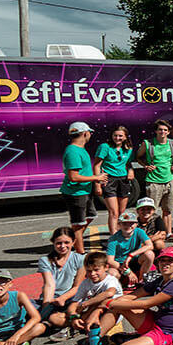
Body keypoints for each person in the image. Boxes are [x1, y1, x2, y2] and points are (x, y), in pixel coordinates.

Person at [103, 248, 173, 345]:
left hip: (168, 333)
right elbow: (132, 296)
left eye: (170, 260)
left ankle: (137, 338)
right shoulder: (161, 279)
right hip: (155, 321)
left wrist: (110, 303)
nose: (165, 263)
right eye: (162, 260)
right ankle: (92, 340)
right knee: (117, 306)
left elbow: (146, 304)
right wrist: (109, 303)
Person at [48, 252, 127, 345]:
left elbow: (109, 293)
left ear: (106, 268)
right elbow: (74, 304)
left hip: (109, 313)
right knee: (54, 318)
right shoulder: (86, 283)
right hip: (91, 313)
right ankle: (76, 328)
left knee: (100, 302)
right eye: (89, 271)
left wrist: (86, 303)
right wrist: (74, 317)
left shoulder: (110, 280)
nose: (92, 274)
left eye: (96, 270)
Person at [60, 121, 106, 254]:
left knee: (91, 215)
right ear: (85, 133)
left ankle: (74, 238)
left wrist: (95, 184)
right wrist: (96, 178)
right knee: (78, 225)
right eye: (89, 132)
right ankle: (80, 254)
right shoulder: (73, 152)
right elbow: (73, 177)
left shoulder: (80, 149)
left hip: (85, 191)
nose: (90, 135)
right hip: (76, 193)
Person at [37, 226, 86, 337]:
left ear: (73, 242)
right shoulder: (45, 260)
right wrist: (46, 306)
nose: (63, 246)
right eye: (59, 243)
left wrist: (63, 298)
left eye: (66, 242)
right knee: (47, 316)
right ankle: (68, 324)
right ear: (53, 243)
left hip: (71, 297)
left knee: (55, 317)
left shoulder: (80, 259)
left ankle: (69, 324)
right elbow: (49, 285)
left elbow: (77, 286)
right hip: (52, 298)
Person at [137, 119, 173, 232]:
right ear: (156, 131)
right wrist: (146, 166)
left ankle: (168, 232)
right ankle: (152, 232)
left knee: (167, 210)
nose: (162, 132)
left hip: (170, 180)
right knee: (151, 211)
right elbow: (138, 157)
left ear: (168, 132)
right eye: (160, 130)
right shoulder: (147, 144)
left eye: (165, 130)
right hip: (154, 181)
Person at [93, 126, 136, 240]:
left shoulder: (128, 148)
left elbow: (128, 164)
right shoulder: (105, 147)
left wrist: (130, 170)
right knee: (113, 212)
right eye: (115, 135)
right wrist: (98, 184)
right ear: (111, 136)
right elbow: (97, 165)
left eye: (120, 136)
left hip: (123, 180)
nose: (117, 138)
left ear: (125, 137)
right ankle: (113, 238)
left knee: (121, 212)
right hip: (109, 180)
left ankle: (120, 235)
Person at [105, 210, 154, 287]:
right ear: (119, 225)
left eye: (131, 223)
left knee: (150, 254)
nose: (128, 226)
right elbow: (110, 260)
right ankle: (118, 286)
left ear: (136, 224)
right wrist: (128, 272)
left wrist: (131, 255)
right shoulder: (113, 239)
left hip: (134, 260)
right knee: (112, 273)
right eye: (124, 223)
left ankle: (142, 281)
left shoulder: (139, 232)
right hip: (120, 264)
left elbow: (150, 245)